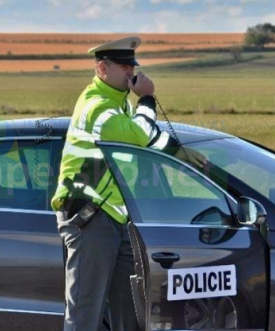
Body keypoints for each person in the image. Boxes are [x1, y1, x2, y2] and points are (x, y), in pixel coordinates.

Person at [51, 36, 206, 331]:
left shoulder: (117, 105)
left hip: (114, 215)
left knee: (129, 310)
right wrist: (146, 98)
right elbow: (139, 135)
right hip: (89, 217)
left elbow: (144, 139)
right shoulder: (97, 107)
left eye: (131, 65)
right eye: (123, 66)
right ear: (101, 69)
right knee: (85, 313)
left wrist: (182, 154)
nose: (129, 72)